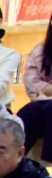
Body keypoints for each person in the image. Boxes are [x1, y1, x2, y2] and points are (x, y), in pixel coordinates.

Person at [18, 16, 52, 162]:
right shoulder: (42, 50)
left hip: (48, 104)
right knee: (27, 112)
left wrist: (47, 89)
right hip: (43, 104)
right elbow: (31, 82)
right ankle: (15, 159)